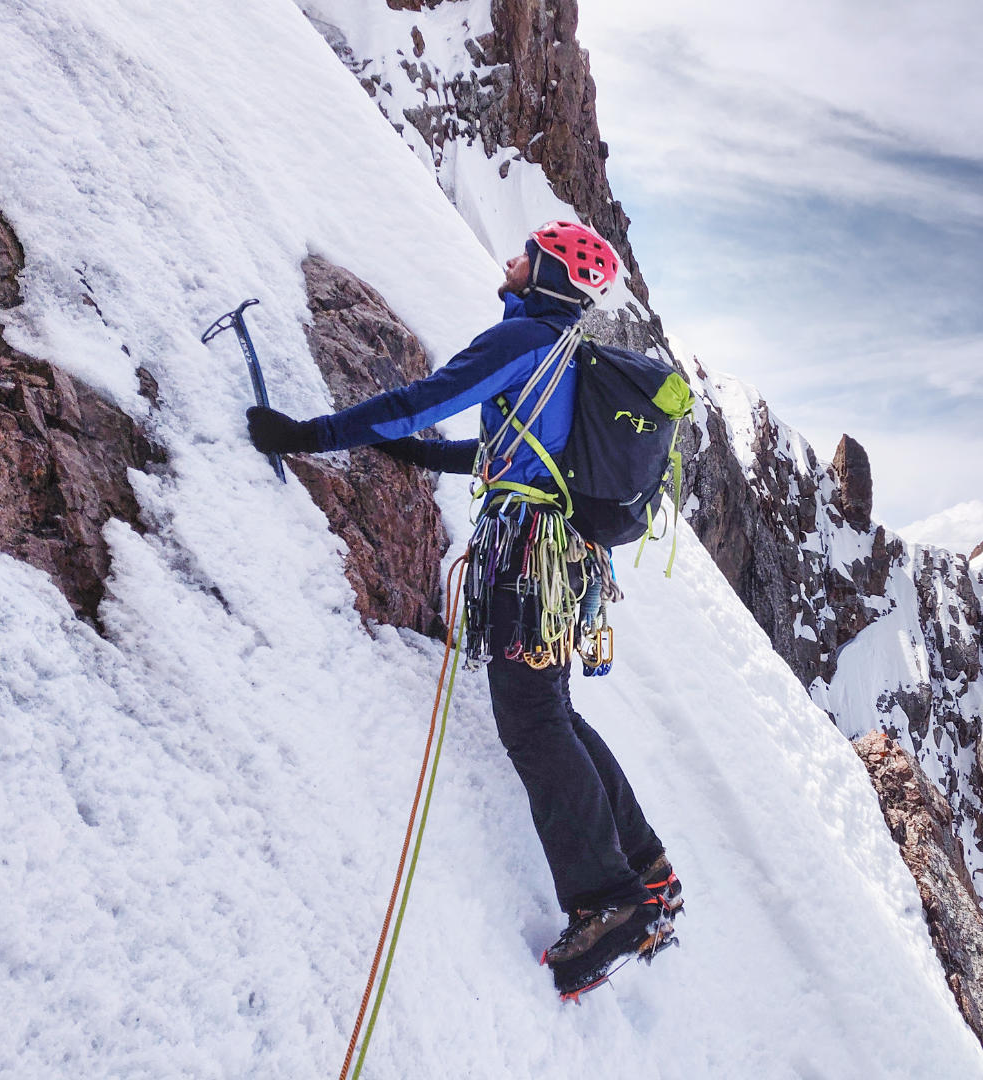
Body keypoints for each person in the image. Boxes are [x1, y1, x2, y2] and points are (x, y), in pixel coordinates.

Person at [246, 222, 680, 995]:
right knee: (554, 712)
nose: (511, 260)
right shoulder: (561, 353)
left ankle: (608, 902)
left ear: (547, 269)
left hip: (525, 561)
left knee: (535, 722)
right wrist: (431, 456)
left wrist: (309, 434)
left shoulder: (522, 341)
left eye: (526, 251)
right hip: (560, 560)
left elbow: (423, 400)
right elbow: (521, 449)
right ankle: (646, 871)